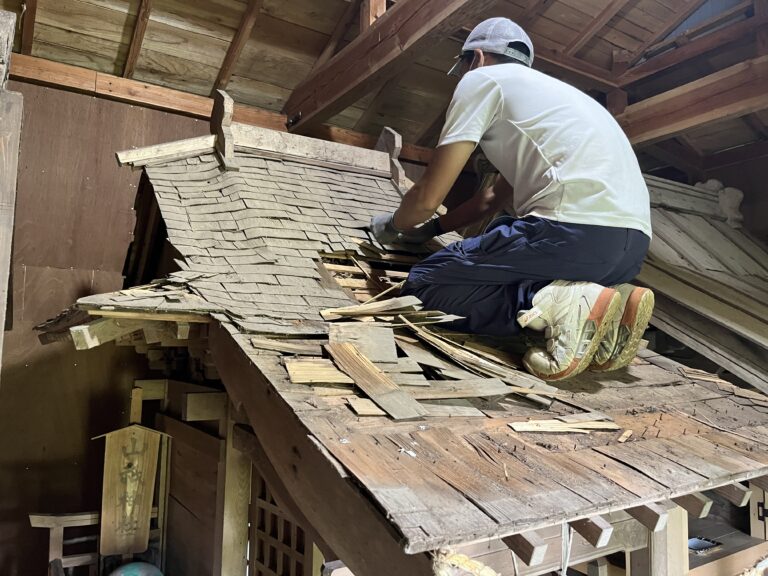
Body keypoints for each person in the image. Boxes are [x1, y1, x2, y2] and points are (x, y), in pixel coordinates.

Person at [369, 17, 654, 381]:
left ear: (478, 57)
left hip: (570, 233)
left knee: (426, 282)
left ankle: (554, 305)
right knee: (501, 249)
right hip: (627, 250)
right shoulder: (554, 98)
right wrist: (432, 230)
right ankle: (610, 304)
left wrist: (396, 225)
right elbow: (490, 198)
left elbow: (427, 196)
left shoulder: (481, 80)